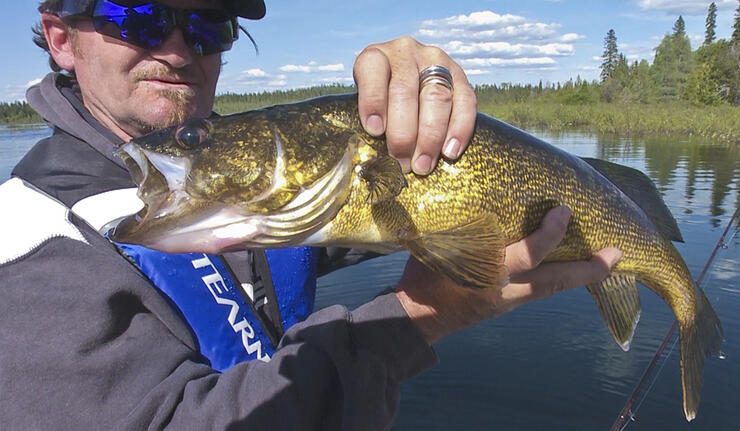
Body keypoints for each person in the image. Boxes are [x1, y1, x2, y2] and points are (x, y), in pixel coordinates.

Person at [0, 0, 622, 429]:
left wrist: (417, 106)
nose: (176, 49)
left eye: (207, 26)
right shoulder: (27, 243)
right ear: (61, 39)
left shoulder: (236, 203)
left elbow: (364, 205)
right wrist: (411, 321)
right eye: (136, 15)